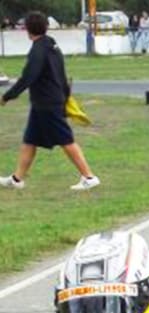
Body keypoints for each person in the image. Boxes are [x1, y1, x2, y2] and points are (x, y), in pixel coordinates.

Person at [0, 12, 99, 191]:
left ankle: (89, 177)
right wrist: (66, 95)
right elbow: (61, 73)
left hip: (48, 104)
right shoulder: (52, 45)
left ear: (27, 30)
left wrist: (6, 97)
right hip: (46, 103)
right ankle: (17, 179)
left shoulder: (38, 50)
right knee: (29, 141)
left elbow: (27, 78)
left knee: (66, 140)